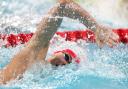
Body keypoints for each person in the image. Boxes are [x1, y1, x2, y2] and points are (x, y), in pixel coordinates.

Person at [0, 0, 119, 84]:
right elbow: (62, 6)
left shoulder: (33, 69)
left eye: (67, 59)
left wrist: (96, 29)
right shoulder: (23, 67)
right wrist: (96, 28)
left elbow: (62, 6)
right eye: (67, 57)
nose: (63, 62)